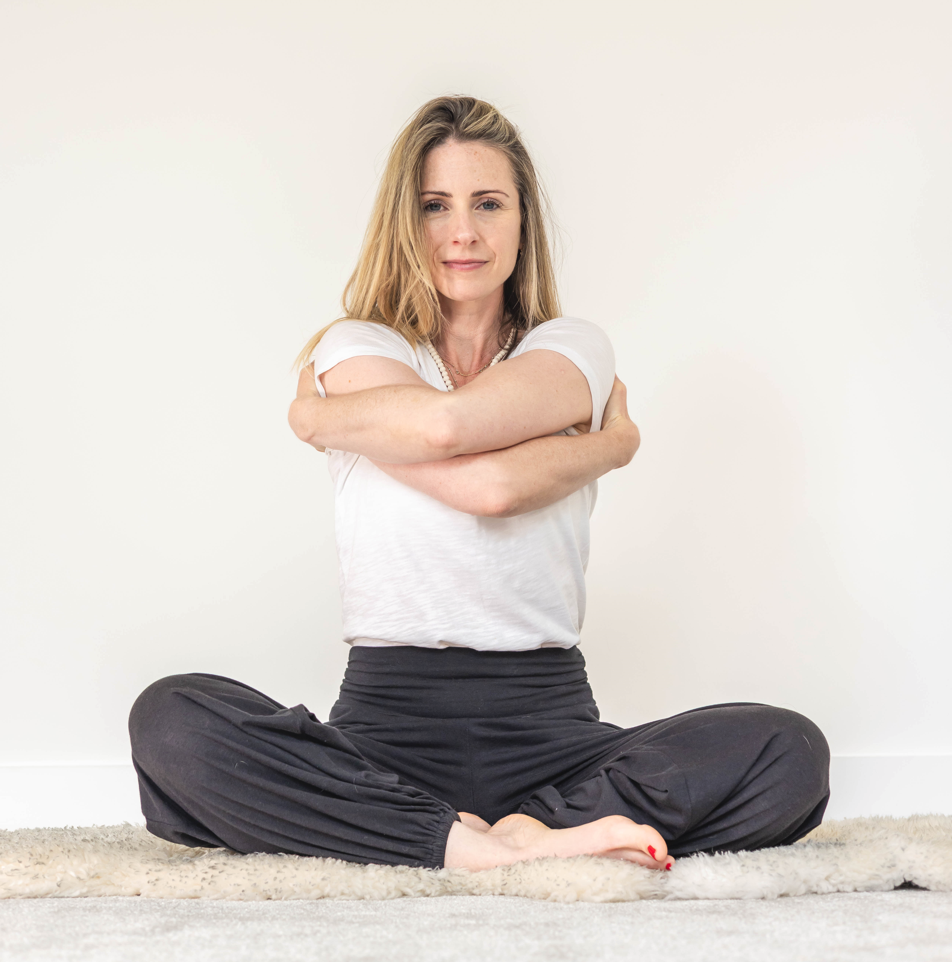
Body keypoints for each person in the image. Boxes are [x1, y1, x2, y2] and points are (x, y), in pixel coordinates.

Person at [129, 96, 830, 873]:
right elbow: (451, 433)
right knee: (171, 722)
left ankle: (520, 829)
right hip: (384, 729)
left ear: (522, 219)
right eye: (435, 206)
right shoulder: (355, 345)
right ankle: (468, 844)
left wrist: (324, 422)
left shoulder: (572, 347)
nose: (462, 232)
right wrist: (604, 444)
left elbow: (481, 475)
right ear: (405, 219)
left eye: (488, 203)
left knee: (789, 751)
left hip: (553, 733)